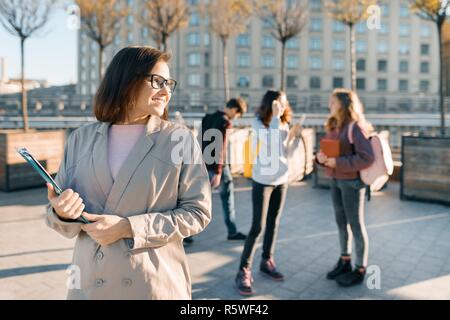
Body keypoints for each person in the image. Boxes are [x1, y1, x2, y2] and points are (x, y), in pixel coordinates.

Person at [45, 46, 212, 299]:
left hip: (152, 284)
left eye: (169, 83)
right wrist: (62, 212)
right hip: (90, 283)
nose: (166, 91)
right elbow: (57, 217)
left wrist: (128, 228)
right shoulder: (80, 139)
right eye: (157, 81)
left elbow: (198, 213)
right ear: (125, 80)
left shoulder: (181, 139)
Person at [235, 90, 302, 296]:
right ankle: (243, 270)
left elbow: (286, 154)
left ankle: (266, 261)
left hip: (281, 180)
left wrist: (295, 138)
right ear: (270, 105)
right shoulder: (258, 124)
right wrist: (275, 117)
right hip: (263, 181)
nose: (282, 107)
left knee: (273, 223)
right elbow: (272, 144)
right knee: (258, 226)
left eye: (284, 103)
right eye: (278, 104)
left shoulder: (282, 123)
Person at [316, 88, 374, 287]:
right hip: (335, 181)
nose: (329, 105)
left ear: (343, 104)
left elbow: (367, 158)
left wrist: (337, 162)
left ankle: (360, 268)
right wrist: (320, 158)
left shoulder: (354, 127)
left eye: (333, 102)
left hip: (351, 183)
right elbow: (328, 152)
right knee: (341, 223)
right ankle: (345, 261)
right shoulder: (333, 125)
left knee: (356, 225)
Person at [199, 98, 248, 241]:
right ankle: (232, 232)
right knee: (227, 200)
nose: (236, 117)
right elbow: (219, 147)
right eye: (238, 114)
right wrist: (219, 171)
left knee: (197, 200)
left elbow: (202, 141)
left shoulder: (207, 118)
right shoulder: (225, 122)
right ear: (234, 110)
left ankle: (185, 235)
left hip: (204, 164)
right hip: (218, 168)